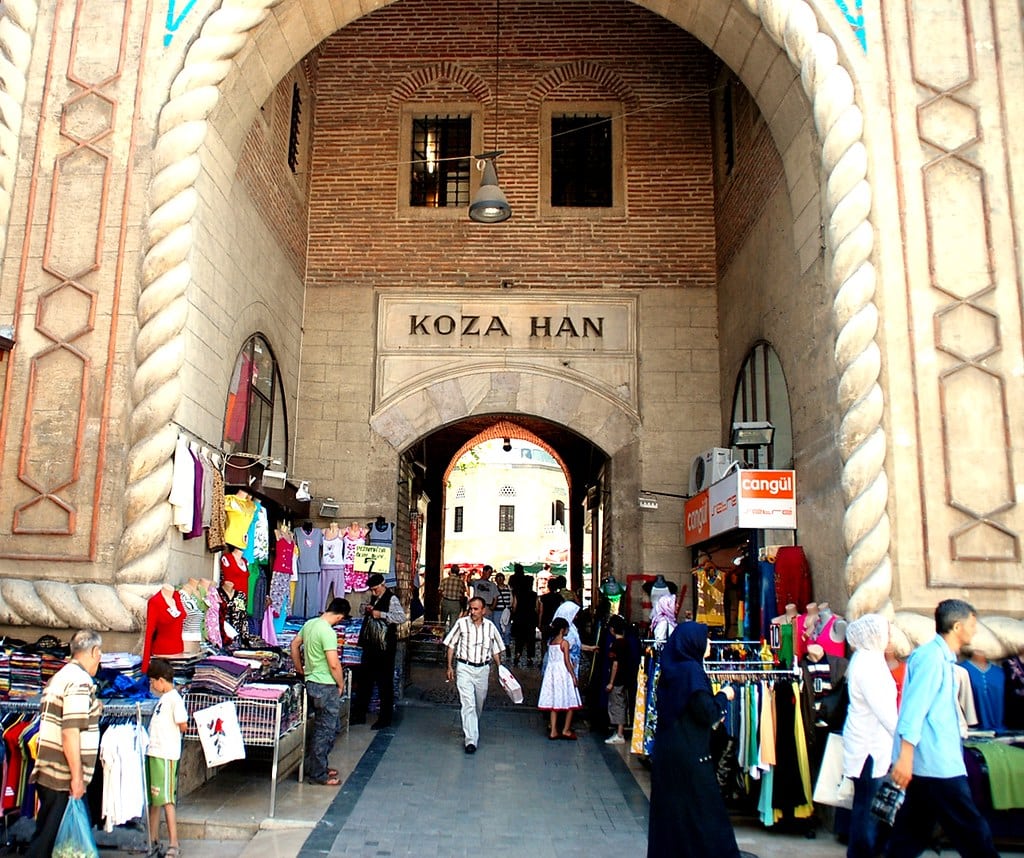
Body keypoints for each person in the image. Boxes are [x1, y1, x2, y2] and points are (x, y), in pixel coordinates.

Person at [885, 599, 998, 858]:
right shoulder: (932, 658)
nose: (975, 630)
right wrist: (906, 755)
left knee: (909, 836)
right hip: (937, 766)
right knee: (973, 832)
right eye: (972, 624)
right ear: (957, 626)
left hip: (931, 764)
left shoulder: (940, 658)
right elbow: (915, 708)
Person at [647, 621, 745, 858]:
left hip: (669, 753)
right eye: (706, 639)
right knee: (706, 814)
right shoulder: (692, 672)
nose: (709, 643)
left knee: (675, 816)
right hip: (691, 756)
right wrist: (724, 696)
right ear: (693, 643)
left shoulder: (672, 669)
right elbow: (707, 712)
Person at [27, 629, 104, 858]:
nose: (99, 660)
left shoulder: (60, 677)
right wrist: (77, 778)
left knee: (51, 837)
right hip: (63, 777)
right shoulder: (79, 682)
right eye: (99, 654)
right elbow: (70, 732)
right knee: (46, 841)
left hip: (52, 772)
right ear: (94, 651)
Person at [842, 614, 897, 858]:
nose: (890, 636)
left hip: (867, 742)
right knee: (868, 803)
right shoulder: (869, 664)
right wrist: (905, 738)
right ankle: (862, 852)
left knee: (865, 802)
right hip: (869, 746)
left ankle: (861, 851)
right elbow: (883, 709)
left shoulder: (866, 659)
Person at [290, 597, 351, 785]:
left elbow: (294, 644)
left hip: (311, 682)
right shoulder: (327, 632)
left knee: (323, 728)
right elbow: (333, 664)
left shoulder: (310, 624)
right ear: (340, 617)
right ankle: (317, 774)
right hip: (325, 685)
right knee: (326, 730)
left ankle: (317, 766)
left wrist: (300, 668)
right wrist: (341, 684)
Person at [443, 596, 505, 754]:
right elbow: (451, 644)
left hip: (483, 669)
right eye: (471, 608)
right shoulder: (461, 624)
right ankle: (471, 740)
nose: (473, 612)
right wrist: (449, 666)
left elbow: (496, 649)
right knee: (468, 704)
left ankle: (472, 727)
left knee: (479, 702)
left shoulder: (490, 627)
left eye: (476, 609)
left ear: (483, 611)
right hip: (464, 667)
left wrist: (500, 669)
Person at [145, 658, 188, 858]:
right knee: (155, 799)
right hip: (155, 753)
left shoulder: (174, 699)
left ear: (161, 680)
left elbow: (183, 724)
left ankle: (174, 842)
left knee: (167, 799)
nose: (152, 686)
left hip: (166, 755)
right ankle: (152, 839)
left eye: (153, 682)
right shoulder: (164, 700)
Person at [351, 574, 406, 729]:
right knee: (364, 680)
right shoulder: (373, 597)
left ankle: (385, 718)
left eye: (375, 589)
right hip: (370, 645)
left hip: (385, 647)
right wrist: (367, 609)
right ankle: (359, 714)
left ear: (382, 585)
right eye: (372, 590)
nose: (374, 592)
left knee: (384, 683)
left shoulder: (391, 598)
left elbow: (401, 617)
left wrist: (381, 614)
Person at [538, 617, 581, 740]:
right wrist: (573, 675)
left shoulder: (551, 642)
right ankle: (566, 729)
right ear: (562, 630)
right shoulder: (564, 643)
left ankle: (553, 730)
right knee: (570, 702)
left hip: (552, 674)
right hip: (563, 674)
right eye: (567, 628)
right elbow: (567, 661)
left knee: (554, 704)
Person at [604, 614, 630, 744]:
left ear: (612, 629)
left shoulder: (616, 644)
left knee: (617, 705)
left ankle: (619, 734)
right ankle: (619, 731)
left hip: (617, 680)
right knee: (622, 704)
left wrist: (610, 682)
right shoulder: (626, 643)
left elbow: (615, 664)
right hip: (625, 678)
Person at [509, 563, 539, 667]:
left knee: (519, 637)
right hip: (530, 617)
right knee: (531, 638)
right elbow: (537, 607)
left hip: (519, 617)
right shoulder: (534, 594)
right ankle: (530, 657)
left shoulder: (518, 593)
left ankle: (517, 655)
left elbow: (514, 606)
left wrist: (513, 614)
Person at [438, 564, 467, 629]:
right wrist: (463, 606)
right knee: (453, 624)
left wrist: (440, 601)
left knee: (443, 622)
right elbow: (462, 594)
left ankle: (441, 637)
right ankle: (451, 637)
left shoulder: (444, 580)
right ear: (458, 572)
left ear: (451, 571)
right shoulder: (461, 582)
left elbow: (440, 591)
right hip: (456, 603)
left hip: (446, 601)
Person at [493, 572, 513, 647]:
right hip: (497, 610)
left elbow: (511, 598)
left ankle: (506, 643)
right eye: (498, 578)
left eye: (501, 578)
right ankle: (500, 644)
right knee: (497, 628)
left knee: (507, 628)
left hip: (506, 610)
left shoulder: (508, 588)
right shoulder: (494, 588)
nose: (500, 580)